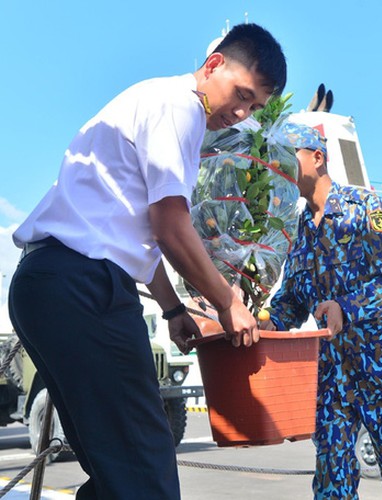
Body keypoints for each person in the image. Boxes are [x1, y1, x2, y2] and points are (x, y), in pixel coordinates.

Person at [8, 23, 286, 499]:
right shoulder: (179, 107)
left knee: (118, 471)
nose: (241, 113)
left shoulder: (155, 101)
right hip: (84, 287)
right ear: (214, 63)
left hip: (47, 284)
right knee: (145, 469)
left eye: (254, 107)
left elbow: (138, 233)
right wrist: (227, 302)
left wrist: (174, 310)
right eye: (241, 94)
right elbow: (171, 226)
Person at [260, 122, 382, 499]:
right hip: (333, 382)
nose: (278, 167)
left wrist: (346, 307)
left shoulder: (365, 207)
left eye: (286, 158)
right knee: (332, 489)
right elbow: (291, 302)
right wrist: (256, 322)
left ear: (318, 157)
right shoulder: (296, 231)